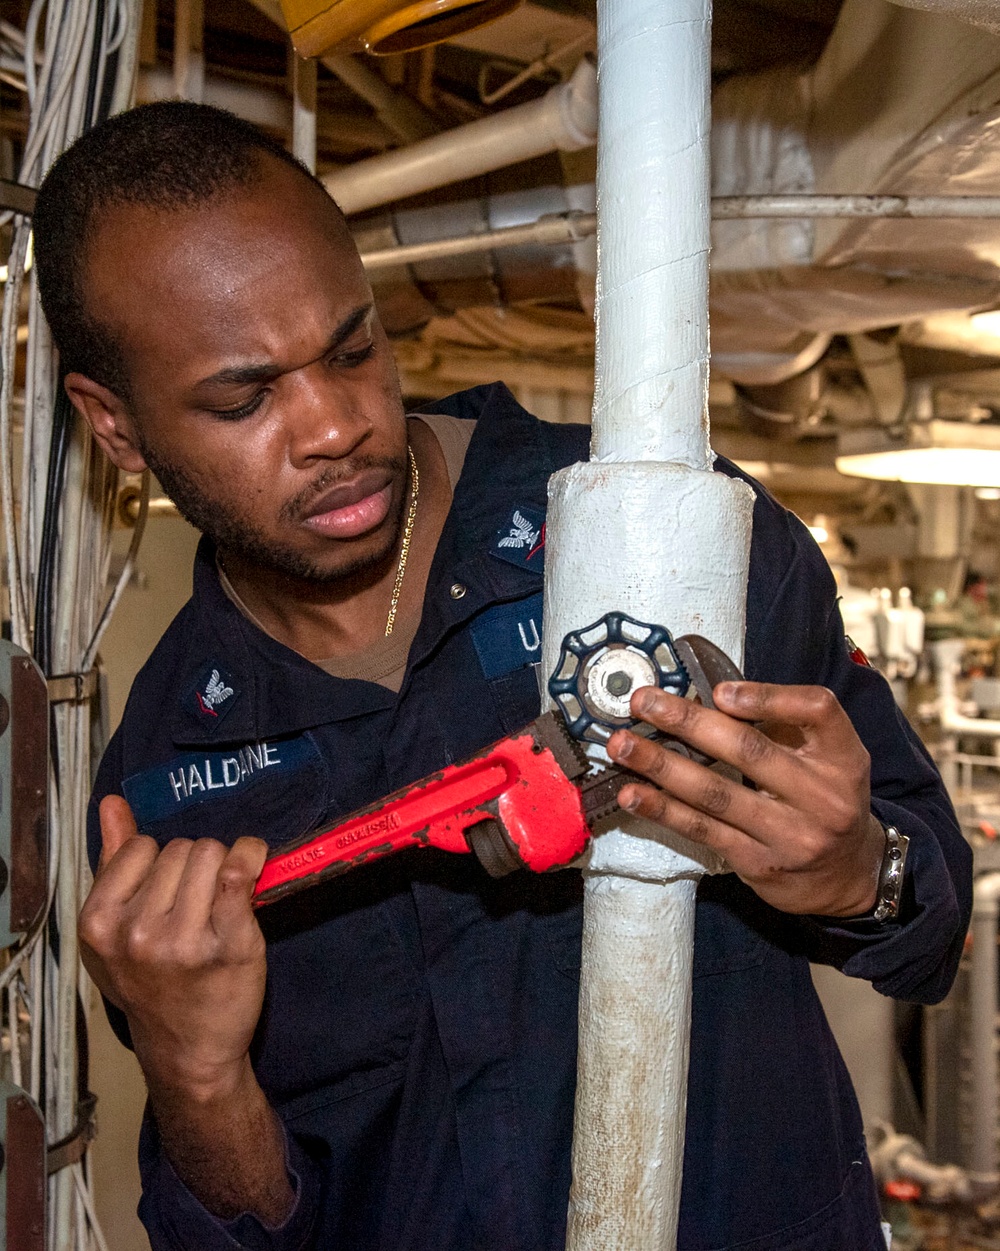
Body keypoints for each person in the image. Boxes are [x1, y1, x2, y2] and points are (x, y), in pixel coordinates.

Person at [32, 101, 970, 1251]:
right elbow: (251, 1221)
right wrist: (192, 1073)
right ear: (115, 428)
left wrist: (852, 871)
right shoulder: (170, 781)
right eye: (244, 397)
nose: (333, 426)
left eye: (353, 347)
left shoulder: (674, 537)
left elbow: (929, 930)